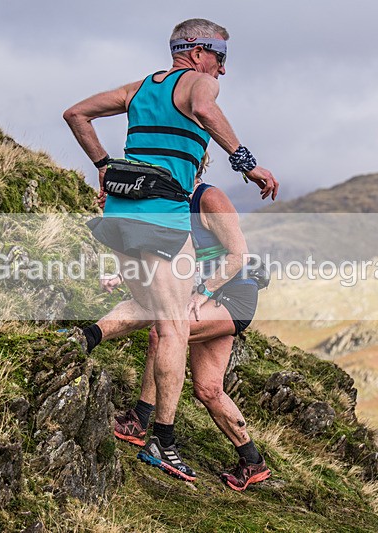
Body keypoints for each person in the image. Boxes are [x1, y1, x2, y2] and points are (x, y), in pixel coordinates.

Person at [63, 18, 278, 482]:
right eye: (222, 59)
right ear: (200, 52)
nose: (222, 71)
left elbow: (75, 113)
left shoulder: (138, 88)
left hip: (120, 212)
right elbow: (203, 107)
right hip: (162, 212)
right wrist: (248, 164)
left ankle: (79, 345)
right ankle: (162, 440)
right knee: (173, 325)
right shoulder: (199, 82)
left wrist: (103, 166)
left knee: (153, 311)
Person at [101, 160, 270, 490]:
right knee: (208, 389)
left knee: (164, 331)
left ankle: (140, 422)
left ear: (194, 164)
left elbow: (240, 255)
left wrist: (205, 292)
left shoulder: (208, 198)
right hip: (203, 298)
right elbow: (164, 257)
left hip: (233, 294)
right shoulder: (169, 204)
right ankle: (253, 461)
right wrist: (121, 274)